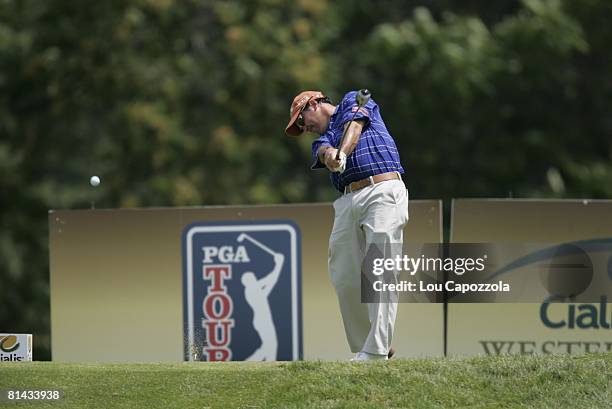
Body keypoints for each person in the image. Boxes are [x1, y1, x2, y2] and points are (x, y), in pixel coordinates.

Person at [285, 90, 409, 361]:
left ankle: (375, 352)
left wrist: (344, 152)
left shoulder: (354, 100)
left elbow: (354, 125)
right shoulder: (322, 138)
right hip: (347, 201)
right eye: (300, 127)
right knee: (344, 276)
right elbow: (325, 151)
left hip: (383, 189)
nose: (304, 128)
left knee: (380, 270)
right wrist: (333, 156)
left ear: (314, 103)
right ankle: (375, 346)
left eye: (302, 120)